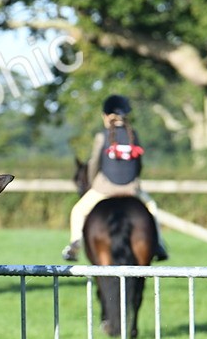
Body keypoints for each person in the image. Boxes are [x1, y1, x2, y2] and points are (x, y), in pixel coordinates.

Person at [62, 94, 168, 262]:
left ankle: (74, 246)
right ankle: (159, 244)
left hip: (105, 189)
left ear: (106, 116)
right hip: (132, 190)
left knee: (78, 211)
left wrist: (92, 183)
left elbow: (95, 164)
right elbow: (139, 165)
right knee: (152, 208)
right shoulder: (134, 135)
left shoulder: (101, 136)